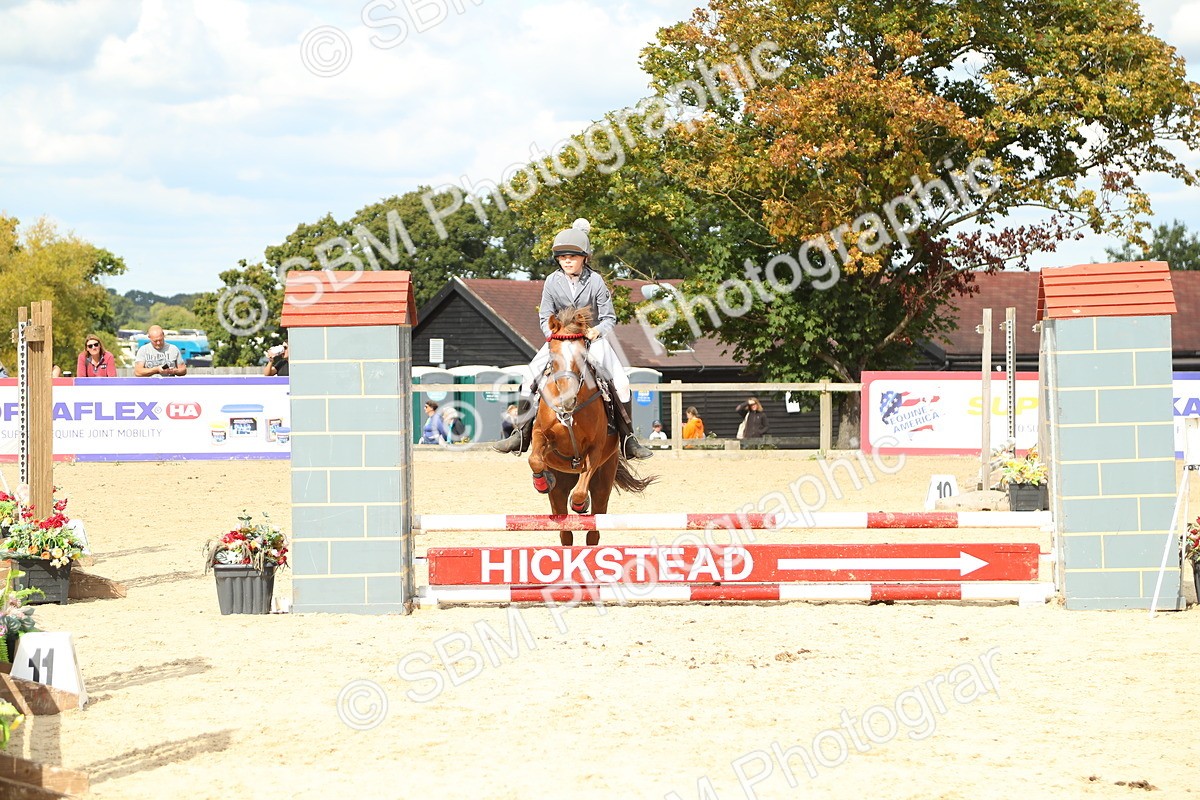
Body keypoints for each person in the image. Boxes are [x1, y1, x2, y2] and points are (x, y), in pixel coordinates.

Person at [492, 219, 652, 459]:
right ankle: (520, 434)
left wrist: (597, 331)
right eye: (563, 257)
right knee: (528, 376)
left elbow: (609, 318)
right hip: (561, 340)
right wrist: (555, 337)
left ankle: (628, 439)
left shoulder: (595, 281)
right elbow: (545, 316)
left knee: (621, 382)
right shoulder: (551, 282)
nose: (567, 261)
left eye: (573, 257)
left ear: (584, 258)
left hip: (591, 340)